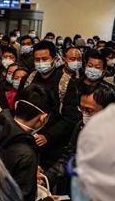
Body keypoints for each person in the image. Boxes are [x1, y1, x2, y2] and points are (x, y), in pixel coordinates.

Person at [19, 41, 81, 170]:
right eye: (37, 59)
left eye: (44, 59)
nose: (41, 63)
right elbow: (18, 107)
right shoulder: (28, 80)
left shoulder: (66, 83)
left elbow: (71, 117)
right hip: (26, 140)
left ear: (54, 59)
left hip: (53, 146)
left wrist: (48, 136)